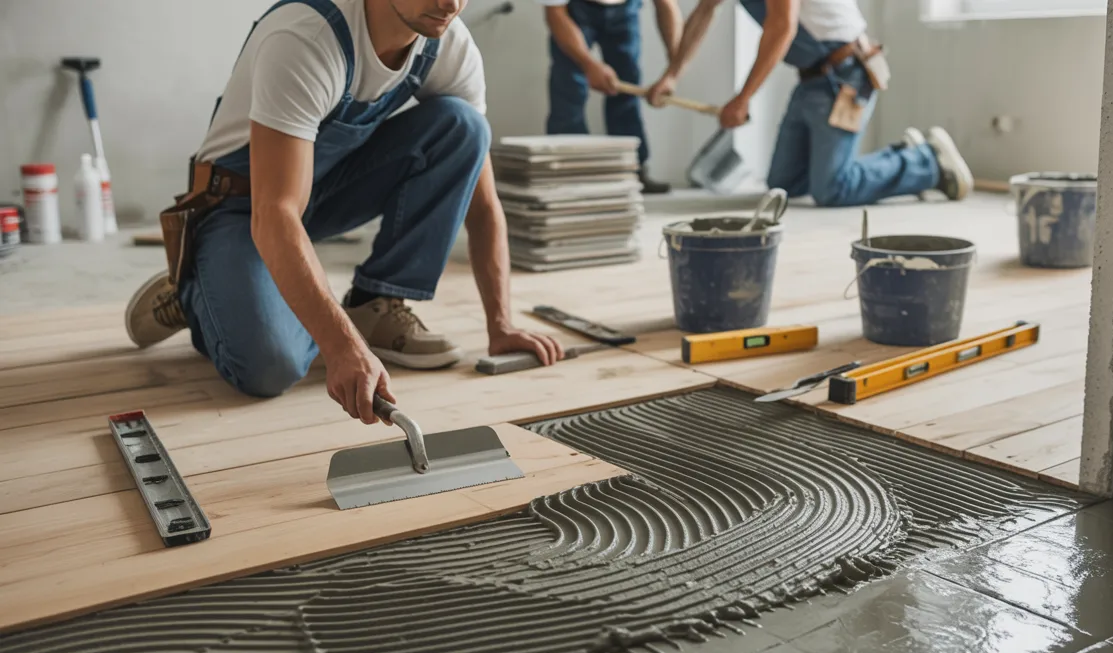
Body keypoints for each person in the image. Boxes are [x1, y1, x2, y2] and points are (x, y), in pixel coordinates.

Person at [125, 0, 563, 425]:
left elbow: (483, 204)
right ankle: (197, 293)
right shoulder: (305, 37)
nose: (450, 3)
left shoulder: (448, 44)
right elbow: (275, 213)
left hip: (323, 189)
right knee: (271, 367)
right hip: (242, 207)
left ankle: (375, 303)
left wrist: (501, 325)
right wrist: (342, 347)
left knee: (464, 127)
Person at [646, 0, 973, 207]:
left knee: (832, 190)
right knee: (783, 186)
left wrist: (743, 98)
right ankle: (902, 156)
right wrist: (672, 74)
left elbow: (782, 27)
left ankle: (926, 161)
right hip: (810, 78)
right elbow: (705, 11)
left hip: (846, 74)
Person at [541, 0, 682, 194]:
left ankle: (631, 170)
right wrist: (588, 64)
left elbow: (666, 5)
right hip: (575, 10)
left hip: (626, 7)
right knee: (569, 88)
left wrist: (674, 72)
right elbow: (555, 13)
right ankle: (570, 174)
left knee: (627, 89)